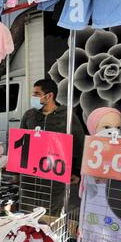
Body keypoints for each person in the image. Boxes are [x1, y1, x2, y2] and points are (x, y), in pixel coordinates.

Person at [19, 79, 85, 217]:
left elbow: (80, 144)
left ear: (49, 96)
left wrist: (77, 172)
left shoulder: (67, 116)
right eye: (33, 94)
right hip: (31, 177)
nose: (33, 97)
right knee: (28, 214)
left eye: (37, 94)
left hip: (56, 177)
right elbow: (21, 143)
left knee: (51, 215)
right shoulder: (29, 116)